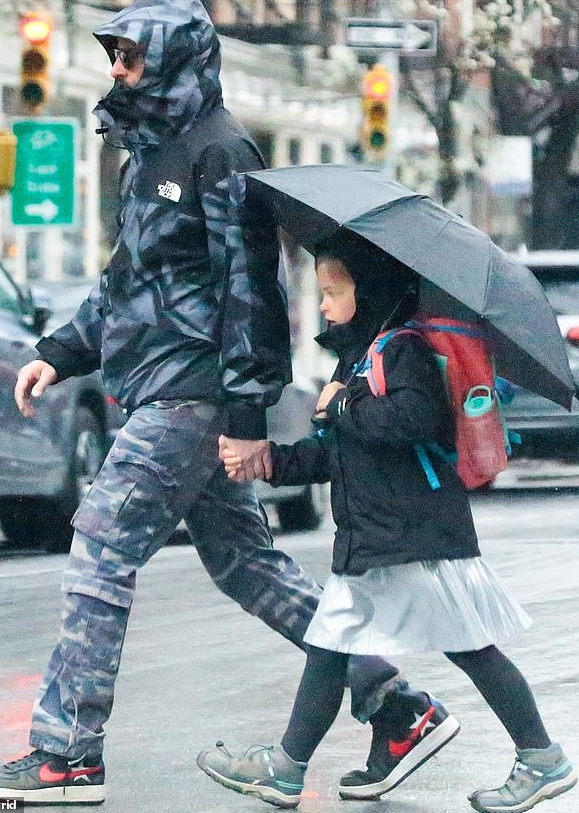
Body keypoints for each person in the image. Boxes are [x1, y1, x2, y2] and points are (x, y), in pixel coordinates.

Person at [0, 0, 455, 805]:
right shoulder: (145, 152)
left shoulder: (221, 151)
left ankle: (67, 752)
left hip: (191, 393)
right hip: (156, 382)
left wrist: (246, 412)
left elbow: (249, 289)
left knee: (99, 549)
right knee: (246, 564)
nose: (117, 71)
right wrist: (58, 351)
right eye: (113, 56)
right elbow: (127, 283)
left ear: (176, 56)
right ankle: (395, 705)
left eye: (131, 55)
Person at [197, 241, 577, 813]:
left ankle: (542, 758)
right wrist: (271, 460)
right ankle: (287, 768)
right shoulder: (357, 358)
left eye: (333, 292)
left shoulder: (403, 349)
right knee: (333, 646)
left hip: (411, 537)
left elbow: (419, 418)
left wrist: (343, 405)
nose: (324, 306)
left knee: (469, 648)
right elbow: (335, 455)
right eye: (322, 293)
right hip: (379, 537)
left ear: (367, 290)